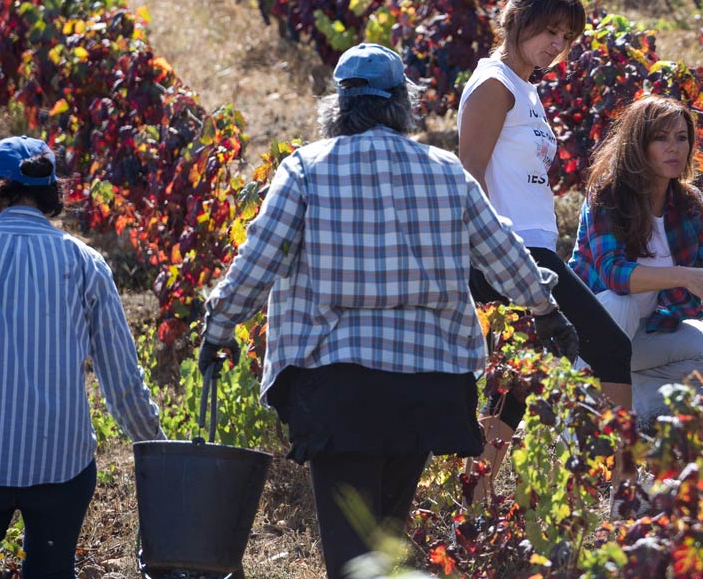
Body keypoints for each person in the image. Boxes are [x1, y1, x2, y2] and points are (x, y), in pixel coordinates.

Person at [199, 43, 576, 579]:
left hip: (337, 387)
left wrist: (218, 328)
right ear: (403, 104)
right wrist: (546, 308)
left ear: (337, 106)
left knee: (353, 557)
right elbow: (503, 251)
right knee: (384, 537)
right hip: (428, 386)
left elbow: (257, 259)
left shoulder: (306, 169)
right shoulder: (445, 171)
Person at [457, 0, 632, 497]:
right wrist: (502, 261)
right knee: (612, 350)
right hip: (513, 256)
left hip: (530, 252)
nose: (557, 45)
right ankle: (627, 487)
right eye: (548, 31)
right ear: (517, 20)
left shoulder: (524, 87)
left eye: (566, 36)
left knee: (519, 380)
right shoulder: (493, 86)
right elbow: (468, 183)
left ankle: (475, 493)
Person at [0, 135, 163, 579]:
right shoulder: (84, 262)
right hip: (59, 466)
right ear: (53, 191)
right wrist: (157, 446)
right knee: (51, 567)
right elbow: (121, 379)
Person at [569, 95, 703, 426]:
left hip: (645, 334)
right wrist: (684, 276)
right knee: (621, 304)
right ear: (637, 145)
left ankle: (640, 406)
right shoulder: (608, 195)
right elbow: (614, 273)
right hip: (589, 337)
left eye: (681, 138)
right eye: (660, 138)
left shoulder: (688, 203)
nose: (673, 148)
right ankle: (579, 418)